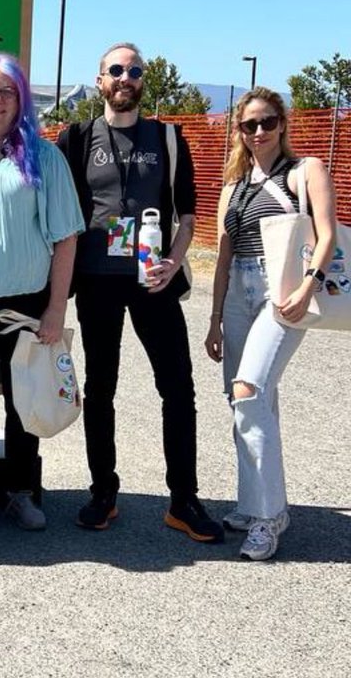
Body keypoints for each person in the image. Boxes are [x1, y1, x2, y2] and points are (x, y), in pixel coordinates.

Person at [57, 42, 223, 542]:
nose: (124, 77)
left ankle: (184, 500)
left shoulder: (168, 137)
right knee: (101, 389)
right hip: (97, 281)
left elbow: (190, 214)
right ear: (100, 79)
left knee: (177, 389)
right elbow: (62, 213)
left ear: (142, 80)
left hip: (155, 280)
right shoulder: (77, 136)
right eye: (115, 70)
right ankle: (102, 492)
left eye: (134, 70)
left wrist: (175, 260)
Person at [0, 52, 84, 541]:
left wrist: (54, 309)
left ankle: (21, 491)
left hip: (27, 305)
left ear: (21, 100)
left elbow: (66, 238)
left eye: (8, 91)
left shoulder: (43, 158)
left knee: (24, 403)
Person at [206, 87, 336, 561]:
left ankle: (269, 516)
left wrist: (308, 284)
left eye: (267, 122)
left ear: (282, 124)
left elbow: (329, 232)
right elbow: (222, 258)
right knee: (244, 400)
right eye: (248, 125)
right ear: (238, 131)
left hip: (280, 289)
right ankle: (252, 501)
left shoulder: (305, 172)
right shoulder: (234, 183)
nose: (258, 132)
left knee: (250, 391)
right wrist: (215, 318)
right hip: (238, 292)